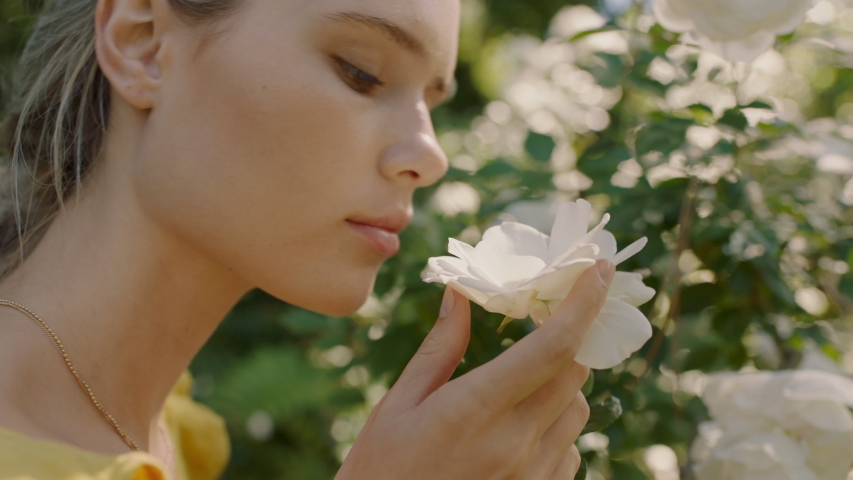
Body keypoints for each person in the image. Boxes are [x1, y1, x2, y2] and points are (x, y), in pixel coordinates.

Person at [0, 0, 616, 478]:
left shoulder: (158, 427)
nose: (430, 156)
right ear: (142, 45)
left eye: (431, 101)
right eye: (363, 73)